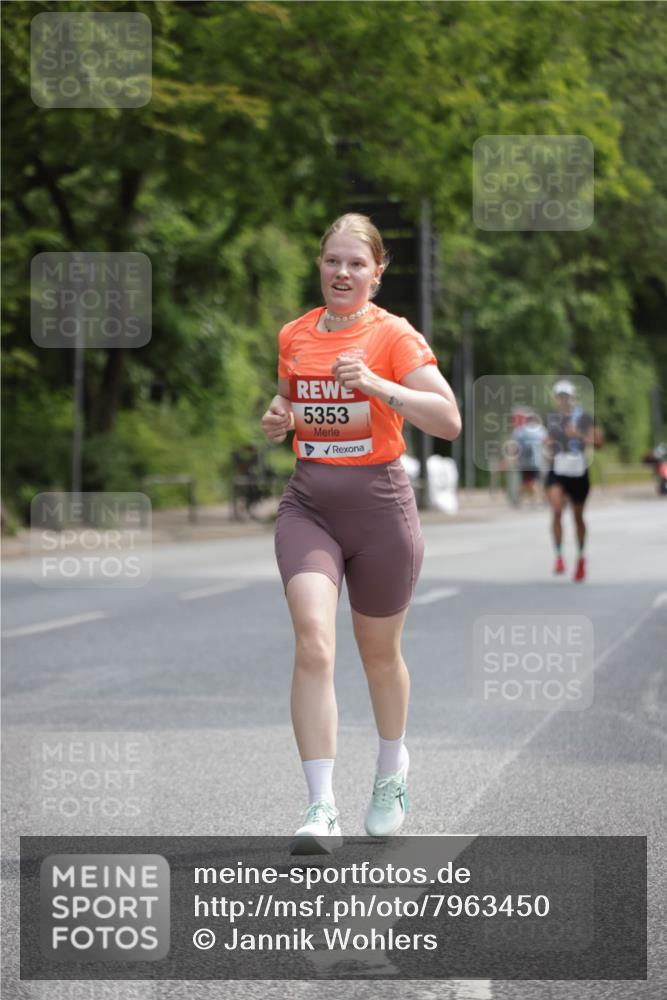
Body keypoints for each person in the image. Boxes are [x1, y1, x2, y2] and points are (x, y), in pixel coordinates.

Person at [261, 213, 461, 853]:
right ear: (319, 266)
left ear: (377, 273)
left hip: (380, 512)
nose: (341, 273)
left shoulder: (395, 336)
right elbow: (295, 403)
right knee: (314, 643)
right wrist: (279, 415)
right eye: (331, 262)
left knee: (378, 656)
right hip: (309, 505)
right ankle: (320, 808)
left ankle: (391, 770)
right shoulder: (295, 334)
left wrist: (376, 383)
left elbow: (449, 419)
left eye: (355, 264)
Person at [544, 380, 603, 582]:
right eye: (560, 397)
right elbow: (546, 440)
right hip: (557, 469)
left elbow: (599, 442)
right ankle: (559, 556)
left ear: (573, 398)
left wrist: (578, 434)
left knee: (577, 517)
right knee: (557, 509)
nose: (563, 401)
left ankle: (580, 559)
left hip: (578, 470)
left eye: (566, 397)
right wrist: (547, 445)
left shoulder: (584, 418)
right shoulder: (551, 418)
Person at [512, 410, 547, 506]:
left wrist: (514, 459)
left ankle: (519, 501)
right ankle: (536, 500)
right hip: (536, 462)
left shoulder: (519, 431)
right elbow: (546, 444)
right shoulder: (541, 430)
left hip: (524, 462)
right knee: (535, 482)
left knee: (525, 482)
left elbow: (515, 447)